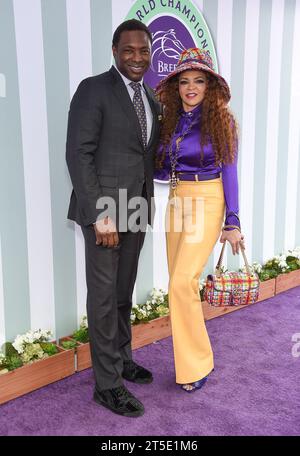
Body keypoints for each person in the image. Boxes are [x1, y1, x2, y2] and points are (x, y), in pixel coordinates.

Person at [66, 19, 161, 417]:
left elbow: (143, 156)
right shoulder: (93, 89)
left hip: (137, 208)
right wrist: (101, 215)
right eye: (129, 50)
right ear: (114, 50)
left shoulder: (152, 97)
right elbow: (79, 155)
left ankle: (121, 359)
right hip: (106, 213)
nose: (137, 58)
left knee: (123, 293)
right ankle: (106, 385)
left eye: (143, 50)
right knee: (104, 300)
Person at [154, 48, 245, 392]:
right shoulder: (171, 122)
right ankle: (189, 360)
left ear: (210, 86)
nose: (191, 87)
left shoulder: (222, 121)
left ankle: (197, 364)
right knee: (177, 285)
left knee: (181, 282)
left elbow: (231, 171)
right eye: (185, 81)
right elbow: (162, 168)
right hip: (177, 202)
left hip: (208, 201)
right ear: (177, 87)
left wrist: (232, 221)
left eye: (199, 81)